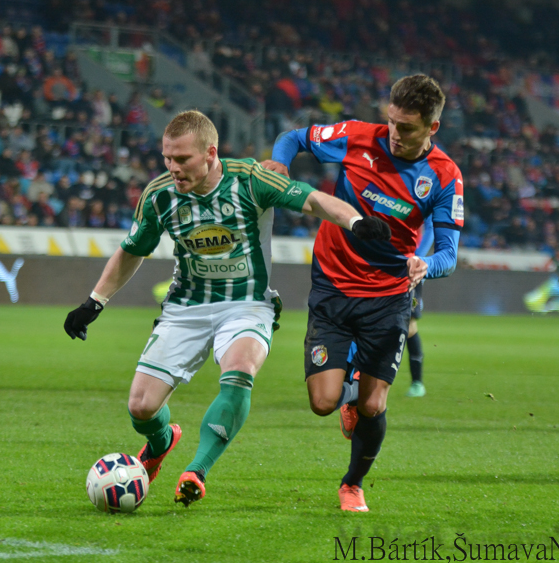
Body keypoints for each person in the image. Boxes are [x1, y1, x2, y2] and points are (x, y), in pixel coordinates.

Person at [64, 110, 390, 507]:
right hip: (186, 306)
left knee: (239, 369)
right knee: (141, 407)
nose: (173, 168)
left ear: (210, 153)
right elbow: (132, 250)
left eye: (182, 159)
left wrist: (355, 222)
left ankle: (197, 471)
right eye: (167, 158)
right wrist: (94, 302)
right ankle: (162, 441)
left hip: (246, 304)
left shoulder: (251, 180)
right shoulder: (160, 195)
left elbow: (312, 200)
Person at [265, 74, 463, 512]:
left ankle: (352, 484)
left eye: (407, 127)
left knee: (373, 406)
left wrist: (426, 265)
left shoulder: (444, 176)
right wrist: (280, 164)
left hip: (389, 295)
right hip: (333, 283)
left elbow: (449, 254)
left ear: (432, 127)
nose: (394, 133)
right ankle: (348, 391)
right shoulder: (356, 137)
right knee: (323, 403)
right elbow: (293, 138)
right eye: (391, 121)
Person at [406, 215, 434, 398]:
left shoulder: (423, 201)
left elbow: (431, 228)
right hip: (385, 264)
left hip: (409, 270)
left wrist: (417, 258)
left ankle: (417, 383)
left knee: (409, 326)